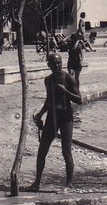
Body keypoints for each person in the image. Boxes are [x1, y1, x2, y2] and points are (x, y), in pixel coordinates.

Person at [27, 53, 81, 192]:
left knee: (66, 151)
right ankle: (37, 182)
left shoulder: (69, 78)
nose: (57, 66)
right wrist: (40, 114)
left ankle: (69, 184)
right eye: (54, 64)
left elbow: (79, 99)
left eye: (59, 63)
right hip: (52, 116)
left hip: (66, 117)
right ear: (49, 65)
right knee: (42, 150)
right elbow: (48, 100)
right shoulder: (48, 80)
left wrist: (65, 91)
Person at [65, 27, 90, 96]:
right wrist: (77, 41)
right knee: (70, 76)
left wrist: (81, 60)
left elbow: (82, 52)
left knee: (77, 77)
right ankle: (70, 89)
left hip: (77, 61)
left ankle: (77, 90)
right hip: (71, 60)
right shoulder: (71, 42)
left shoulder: (80, 43)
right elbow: (73, 48)